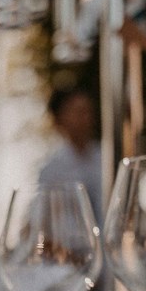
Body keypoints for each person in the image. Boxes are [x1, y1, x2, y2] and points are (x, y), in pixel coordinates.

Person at [39, 87, 103, 219]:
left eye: (87, 111)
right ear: (60, 119)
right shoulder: (51, 170)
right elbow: (45, 220)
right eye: (78, 112)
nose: (86, 118)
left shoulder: (105, 159)